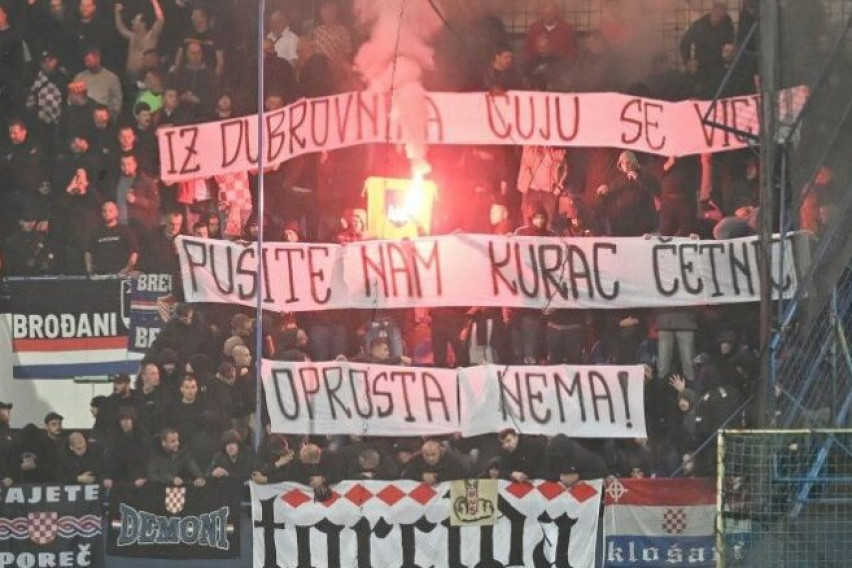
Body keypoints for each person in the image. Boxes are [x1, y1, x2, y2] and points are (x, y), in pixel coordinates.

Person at [679, 2, 735, 80]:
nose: (718, 19)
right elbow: (685, 43)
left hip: (719, 65)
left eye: (721, 17)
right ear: (712, 13)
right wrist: (688, 61)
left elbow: (730, 43)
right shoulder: (700, 25)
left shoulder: (727, 25)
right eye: (717, 16)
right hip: (702, 65)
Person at [84, 200, 140, 275]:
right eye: (104, 211)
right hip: (101, 275)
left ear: (116, 212)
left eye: (110, 211)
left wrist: (126, 270)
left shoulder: (125, 231)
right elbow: (88, 252)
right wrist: (89, 268)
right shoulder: (96, 232)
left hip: (120, 274)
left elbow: (134, 253)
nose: (107, 214)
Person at [114, 0, 165, 79]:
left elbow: (160, 20)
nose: (132, 22)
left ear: (142, 24)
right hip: (130, 77)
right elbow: (122, 29)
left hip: (144, 78)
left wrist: (155, 2)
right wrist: (117, 13)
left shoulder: (151, 37)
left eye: (135, 20)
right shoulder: (132, 37)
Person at [114, 152, 161, 235]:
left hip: (141, 226)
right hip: (122, 226)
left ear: (135, 165)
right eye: (123, 164)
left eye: (129, 164)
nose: (126, 167)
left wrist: (136, 200)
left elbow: (155, 204)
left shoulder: (147, 181)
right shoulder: (116, 181)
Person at [103, 407, 148, 488]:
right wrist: (107, 476)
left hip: (138, 477)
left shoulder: (142, 437)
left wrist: (142, 477)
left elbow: (145, 458)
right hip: (119, 477)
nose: (125, 422)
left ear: (133, 420)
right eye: (122, 419)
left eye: (128, 419)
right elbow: (109, 458)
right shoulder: (114, 438)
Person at [73, 47, 123, 117]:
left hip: (102, 115)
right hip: (82, 114)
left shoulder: (112, 78)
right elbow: (71, 98)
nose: (87, 64)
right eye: (85, 62)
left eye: (89, 61)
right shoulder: (80, 77)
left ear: (97, 58)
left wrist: (109, 115)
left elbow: (117, 102)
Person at [402, 440, 466, 485]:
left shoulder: (450, 457)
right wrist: (421, 476)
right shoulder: (417, 458)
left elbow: (461, 474)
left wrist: (436, 477)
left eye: (433, 454)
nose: (431, 458)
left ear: (439, 452)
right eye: (427, 455)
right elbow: (405, 475)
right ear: (422, 454)